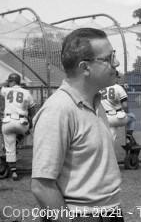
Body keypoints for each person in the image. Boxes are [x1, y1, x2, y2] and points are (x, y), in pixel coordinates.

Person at [31, 28, 124, 222]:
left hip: (110, 212)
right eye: (108, 58)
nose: (116, 63)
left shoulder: (96, 101)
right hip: (83, 216)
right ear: (85, 67)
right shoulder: (58, 109)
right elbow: (41, 186)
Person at [0, 73, 36, 180]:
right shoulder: (26, 92)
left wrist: (7, 83)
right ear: (19, 82)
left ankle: (14, 172)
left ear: (11, 81)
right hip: (22, 122)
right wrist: (31, 123)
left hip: (8, 122)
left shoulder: (6, 90)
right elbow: (33, 111)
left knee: (9, 148)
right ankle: (17, 140)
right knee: (28, 128)